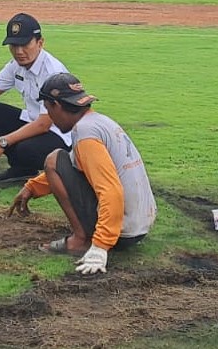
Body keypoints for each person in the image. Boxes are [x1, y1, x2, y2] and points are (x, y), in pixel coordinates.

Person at [8, 72, 156, 275]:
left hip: (124, 231)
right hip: (139, 226)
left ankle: (80, 240)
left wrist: (100, 246)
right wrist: (32, 187)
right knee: (58, 160)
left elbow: (111, 191)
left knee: (52, 159)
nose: (49, 117)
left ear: (56, 106)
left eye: (48, 109)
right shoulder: (98, 122)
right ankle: (92, 236)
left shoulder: (85, 132)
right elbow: (73, 164)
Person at [0, 13, 70, 183]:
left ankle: (55, 166)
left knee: (25, 149)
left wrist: (2, 142)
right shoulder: (16, 66)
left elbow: (44, 124)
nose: (19, 51)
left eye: (24, 44)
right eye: (14, 45)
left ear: (40, 43)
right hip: (34, 123)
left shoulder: (52, 72)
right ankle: (21, 169)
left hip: (61, 136)